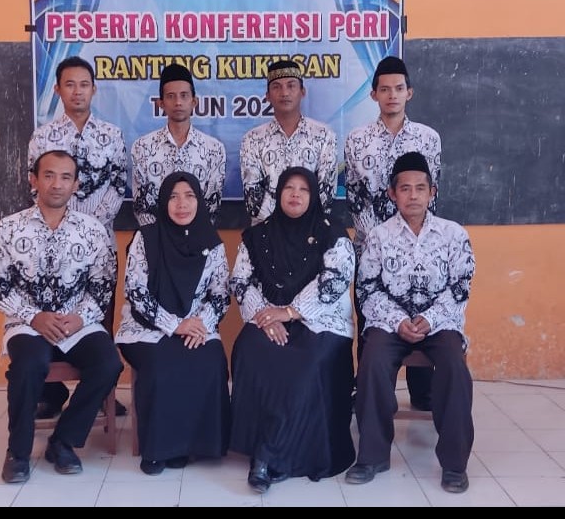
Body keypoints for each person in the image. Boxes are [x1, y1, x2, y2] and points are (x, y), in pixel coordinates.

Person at [0, 150, 124, 484]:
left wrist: (80, 318)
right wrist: (34, 317)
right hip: (26, 324)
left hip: (78, 322)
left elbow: (103, 285)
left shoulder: (93, 231)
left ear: (76, 184)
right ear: (33, 180)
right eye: (49, 175)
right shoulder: (7, 229)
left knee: (108, 364)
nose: (57, 184)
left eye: (65, 177)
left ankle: (63, 441)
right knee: (29, 364)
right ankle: (18, 453)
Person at [346, 151, 475, 493]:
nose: (413, 195)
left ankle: (454, 464)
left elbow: (461, 287)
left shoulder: (453, 234)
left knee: (454, 366)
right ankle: (372, 456)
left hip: (439, 323)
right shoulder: (378, 236)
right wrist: (399, 320)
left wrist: (429, 320)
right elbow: (367, 289)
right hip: (391, 323)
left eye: (420, 188)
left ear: (433, 192)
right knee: (372, 361)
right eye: (405, 188)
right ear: (392, 193)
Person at [229, 166, 356, 493]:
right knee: (249, 349)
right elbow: (240, 281)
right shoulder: (258, 235)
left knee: (304, 363)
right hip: (267, 317)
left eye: (303, 189)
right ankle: (260, 445)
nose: (295, 194)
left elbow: (335, 280)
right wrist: (266, 317)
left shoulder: (332, 233)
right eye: (289, 188)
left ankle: (268, 456)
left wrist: (289, 312)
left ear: (313, 196)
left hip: (321, 321)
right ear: (278, 194)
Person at [28, 55, 128, 420]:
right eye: (69, 85)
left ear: (94, 90)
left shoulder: (112, 135)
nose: (77, 92)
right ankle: (50, 393)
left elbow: (119, 186)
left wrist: (87, 227)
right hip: (51, 244)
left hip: (99, 242)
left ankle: (100, 391)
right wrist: (67, 226)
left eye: (84, 85)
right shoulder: (43, 137)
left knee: (98, 315)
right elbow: (37, 189)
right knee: (51, 311)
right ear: (57, 90)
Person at [116, 171, 231, 476]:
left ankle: (193, 445)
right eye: (173, 197)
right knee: (163, 362)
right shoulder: (145, 239)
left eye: (189, 196)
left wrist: (200, 323)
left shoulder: (212, 243)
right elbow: (136, 291)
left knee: (209, 359)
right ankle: (159, 449)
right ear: (163, 202)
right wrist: (174, 325)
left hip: (197, 324)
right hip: (146, 326)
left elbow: (221, 294)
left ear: (200, 201)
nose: (182, 204)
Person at [344, 55, 442, 411]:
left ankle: (422, 392)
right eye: (384, 90)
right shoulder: (357, 140)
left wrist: (410, 240)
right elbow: (355, 198)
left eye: (398, 89)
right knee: (370, 318)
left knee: (419, 309)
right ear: (373, 95)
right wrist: (378, 243)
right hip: (371, 247)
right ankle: (371, 392)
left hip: (419, 247)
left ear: (409, 93)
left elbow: (431, 196)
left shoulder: (428, 139)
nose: (392, 96)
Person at [239, 59, 338, 225]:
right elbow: (253, 200)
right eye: (276, 87)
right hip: (266, 231)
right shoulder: (252, 139)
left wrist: (299, 227)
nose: (284, 93)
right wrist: (281, 229)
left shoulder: (324, 136)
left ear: (302, 92)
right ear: (267, 96)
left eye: (291, 85)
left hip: (312, 231)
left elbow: (325, 195)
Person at [131, 63, 226, 227]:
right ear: (161, 103)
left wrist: (189, 236)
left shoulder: (214, 149)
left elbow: (211, 206)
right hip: (155, 237)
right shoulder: (142, 147)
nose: (178, 102)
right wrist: (161, 237)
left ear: (194, 101)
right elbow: (142, 207)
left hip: (198, 238)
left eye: (184, 95)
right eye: (170, 96)